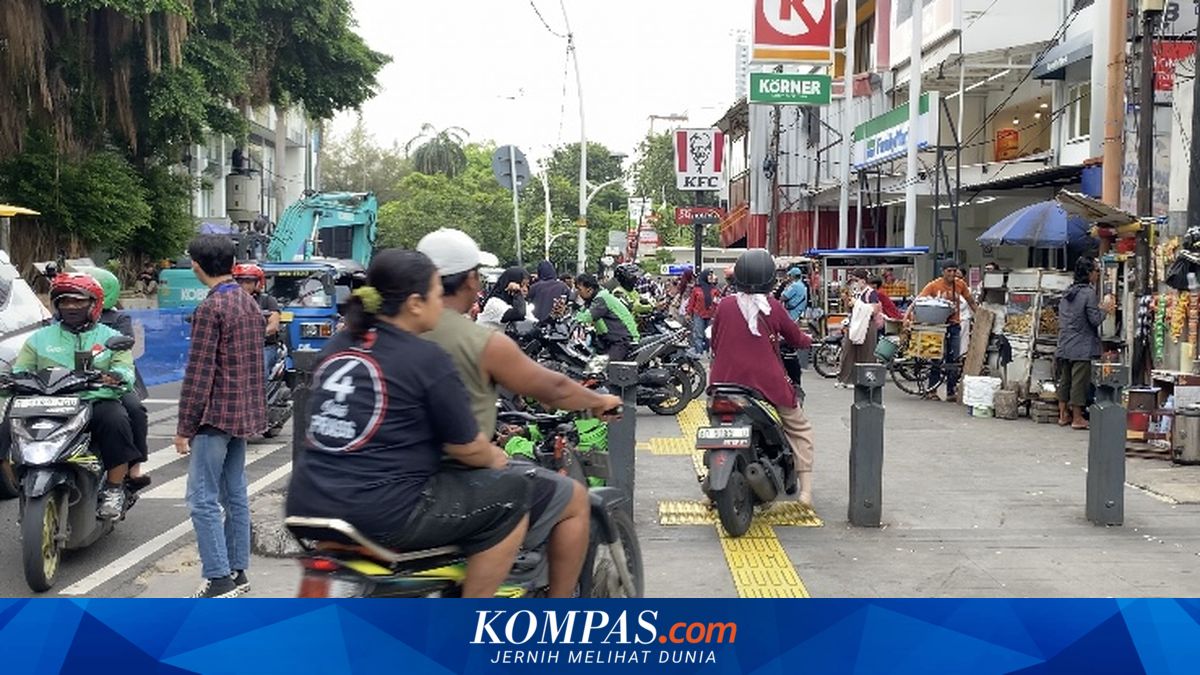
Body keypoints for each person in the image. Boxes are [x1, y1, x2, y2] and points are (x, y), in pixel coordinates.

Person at [287, 249, 532, 599]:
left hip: (308, 500)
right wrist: (497, 459)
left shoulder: (340, 343)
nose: (441, 302)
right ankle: (467, 628)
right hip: (384, 511)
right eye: (436, 294)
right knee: (514, 492)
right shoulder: (426, 357)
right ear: (415, 303)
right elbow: (467, 446)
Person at [417, 229, 623, 598]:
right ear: (469, 280)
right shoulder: (478, 339)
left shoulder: (393, 332)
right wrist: (598, 402)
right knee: (573, 499)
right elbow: (554, 389)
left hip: (396, 477)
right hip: (457, 479)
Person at [175, 235, 266, 598]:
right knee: (235, 494)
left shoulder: (210, 309)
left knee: (202, 498)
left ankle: (218, 578)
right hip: (242, 414)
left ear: (197, 266)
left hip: (214, 417)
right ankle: (238, 572)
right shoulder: (248, 303)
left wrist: (184, 428)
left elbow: (199, 376)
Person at [11, 273, 139, 518]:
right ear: (56, 305)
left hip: (94, 399)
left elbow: (125, 369)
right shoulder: (39, 338)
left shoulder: (108, 337)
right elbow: (20, 369)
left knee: (117, 420)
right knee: (7, 427)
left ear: (94, 304)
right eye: (64, 301)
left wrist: (116, 376)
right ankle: (20, 484)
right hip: (47, 402)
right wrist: (12, 379)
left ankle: (114, 489)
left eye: (78, 301)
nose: (71, 307)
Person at [709, 249, 816, 506]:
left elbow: (714, 341)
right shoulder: (773, 308)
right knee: (799, 427)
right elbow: (795, 337)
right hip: (766, 384)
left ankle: (711, 486)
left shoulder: (724, 305)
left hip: (723, 383)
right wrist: (809, 340)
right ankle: (806, 492)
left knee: (716, 427)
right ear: (770, 279)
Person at [82, 266, 152, 489]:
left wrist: (112, 374)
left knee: (135, 411)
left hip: (114, 380)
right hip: (72, 382)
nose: (74, 305)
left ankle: (134, 467)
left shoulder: (118, 319)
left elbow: (125, 345)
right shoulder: (61, 321)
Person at [1057, 257, 1115, 429]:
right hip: (1081, 344)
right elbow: (1095, 320)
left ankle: (1062, 415)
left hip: (1065, 342)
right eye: (1096, 271)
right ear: (1089, 273)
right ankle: (1077, 418)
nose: (1098, 274)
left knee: (1065, 380)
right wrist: (1105, 309)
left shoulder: (1068, 291)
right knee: (1079, 382)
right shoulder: (1088, 293)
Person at [908, 260, 978, 401]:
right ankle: (932, 389)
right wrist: (908, 317)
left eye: (954, 271)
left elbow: (970, 301)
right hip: (937, 326)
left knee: (954, 358)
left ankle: (951, 390)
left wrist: (979, 315)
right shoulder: (934, 285)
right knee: (936, 357)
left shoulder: (960, 285)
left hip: (954, 325)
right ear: (943, 271)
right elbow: (918, 301)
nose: (952, 274)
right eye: (949, 271)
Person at [232, 263, 282, 379]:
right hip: (235, 347)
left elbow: (273, 326)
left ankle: (259, 396)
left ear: (258, 283)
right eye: (240, 282)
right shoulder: (231, 302)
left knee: (259, 370)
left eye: (248, 282)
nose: (243, 285)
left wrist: (253, 336)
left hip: (263, 347)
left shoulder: (268, 301)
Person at [574, 273, 640, 360]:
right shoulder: (596, 298)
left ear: (589, 289)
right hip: (613, 339)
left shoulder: (601, 299)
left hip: (624, 340)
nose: (578, 293)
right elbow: (581, 313)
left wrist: (575, 309)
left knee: (604, 368)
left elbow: (586, 317)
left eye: (579, 289)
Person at [838, 269, 881, 388]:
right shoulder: (857, 293)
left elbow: (875, 309)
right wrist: (847, 301)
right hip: (855, 325)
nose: (855, 284)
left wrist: (858, 304)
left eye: (856, 280)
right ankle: (846, 379)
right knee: (848, 351)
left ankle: (865, 380)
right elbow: (850, 309)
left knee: (866, 352)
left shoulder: (870, 293)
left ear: (863, 280)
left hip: (867, 325)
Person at [686, 269, 721, 357]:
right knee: (698, 334)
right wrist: (688, 313)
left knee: (709, 335)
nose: (710, 277)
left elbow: (717, 302)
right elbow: (691, 302)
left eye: (711, 276)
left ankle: (708, 352)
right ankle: (699, 353)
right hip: (699, 314)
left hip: (711, 315)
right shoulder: (696, 289)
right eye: (709, 275)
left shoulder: (715, 290)